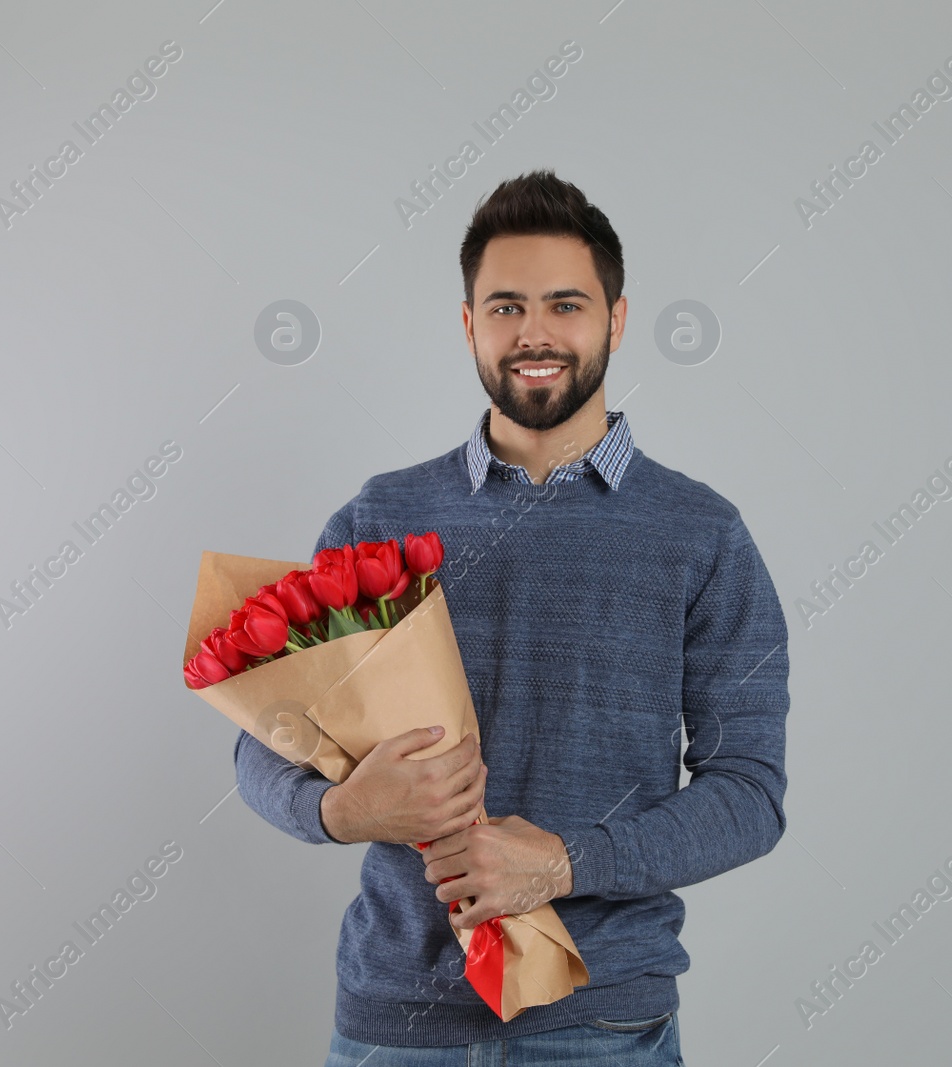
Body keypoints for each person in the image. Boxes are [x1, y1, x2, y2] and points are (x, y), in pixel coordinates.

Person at [233, 169, 790, 1067]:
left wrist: (565, 863)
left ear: (614, 318)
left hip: (601, 1027)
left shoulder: (703, 535)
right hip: (393, 1024)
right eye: (505, 307)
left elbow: (750, 795)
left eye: (565, 304)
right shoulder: (382, 518)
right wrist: (343, 808)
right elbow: (263, 746)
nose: (534, 333)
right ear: (468, 326)